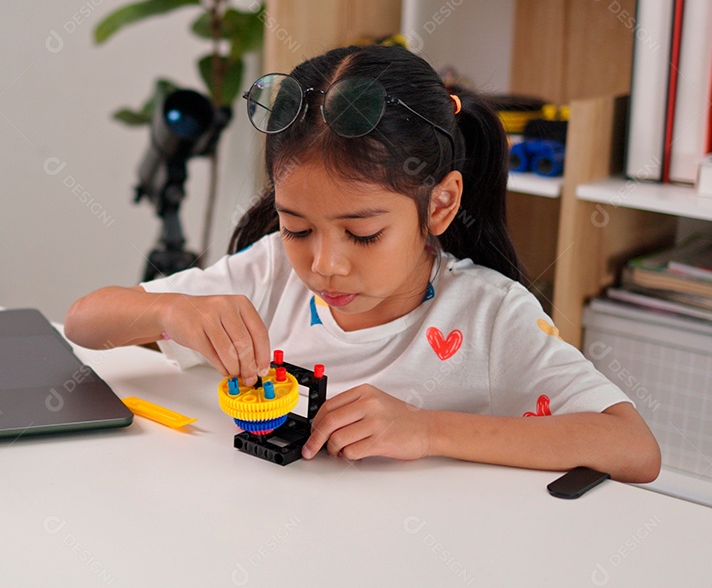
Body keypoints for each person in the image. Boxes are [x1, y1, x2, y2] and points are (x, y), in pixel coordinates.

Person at [65, 44, 660, 483]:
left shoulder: (489, 315)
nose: (324, 265)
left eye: (364, 234)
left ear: (440, 204)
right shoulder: (271, 271)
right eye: (297, 226)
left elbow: (633, 447)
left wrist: (427, 429)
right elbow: (83, 322)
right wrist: (173, 310)